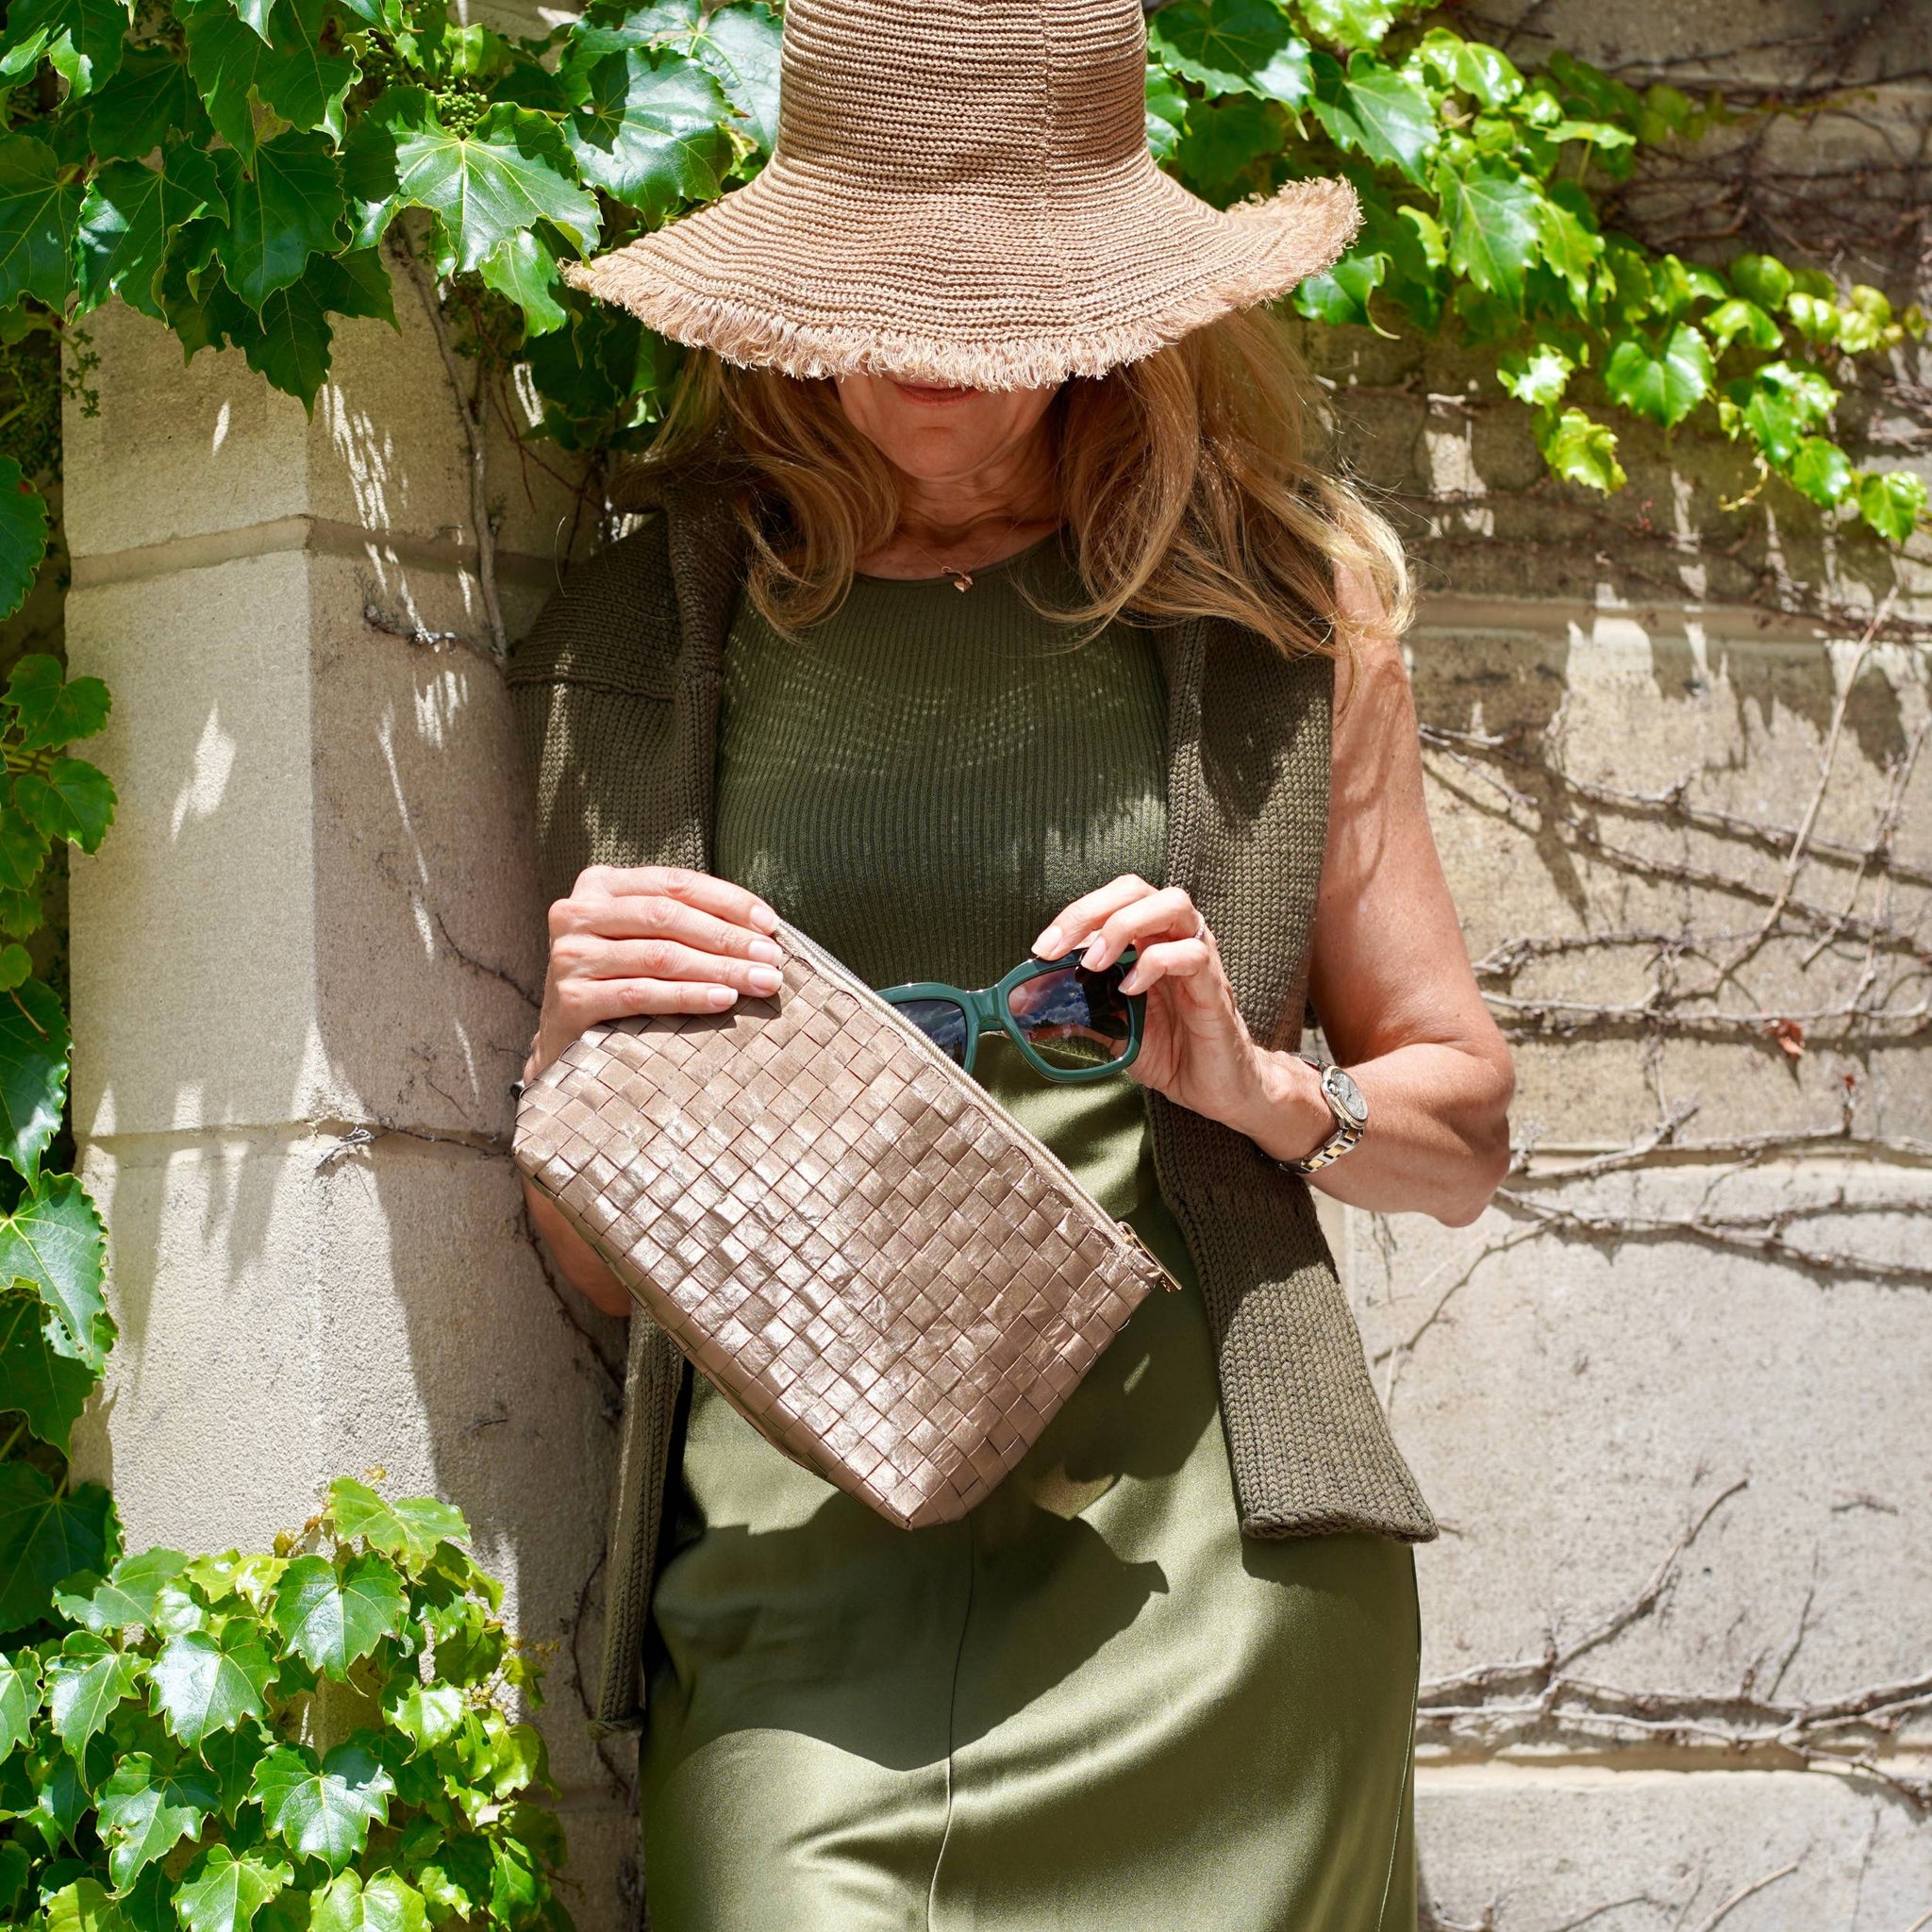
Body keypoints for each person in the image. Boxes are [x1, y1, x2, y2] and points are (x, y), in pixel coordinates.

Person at [509, 0, 1514, 1924]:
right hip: (802, 1564)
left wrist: (1263, 1086)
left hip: (1211, 1580)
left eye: (984, 300)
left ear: (1109, 297)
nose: (921, 356)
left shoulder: (1280, 618)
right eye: (876, 291)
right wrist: (574, 1072)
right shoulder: (647, 628)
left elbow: (1460, 1127)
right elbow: (589, 1258)